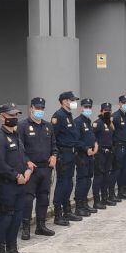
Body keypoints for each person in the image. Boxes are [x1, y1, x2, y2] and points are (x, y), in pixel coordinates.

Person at [0, 103, 34, 253]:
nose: (14, 118)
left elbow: (22, 157)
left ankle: (12, 250)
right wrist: (16, 176)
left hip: (21, 184)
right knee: (4, 218)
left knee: (16, 218)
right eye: (10, 115)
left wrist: (28, 168)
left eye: (16, 115)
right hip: (7, 185)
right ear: (2, 117)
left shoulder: (16, 136)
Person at [19, 98, 58, 240]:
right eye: (37, 108)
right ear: (31, 108)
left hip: (45, 169)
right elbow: (20, 149)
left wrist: (54, 156)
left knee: (43, 197)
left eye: (42, 109)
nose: (40, 111)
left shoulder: (48, 126)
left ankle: (41, 226)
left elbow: (54, 145)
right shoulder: (22, 126)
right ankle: (25, 228)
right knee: (28, 199)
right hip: (31, 169)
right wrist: (27, 161)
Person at [52, 91, 83, 225]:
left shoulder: (69, 115)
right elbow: (53, 137)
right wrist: (56, 155)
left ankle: (67, 211)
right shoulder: (58, 116)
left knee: (69, 183)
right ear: (64, 101)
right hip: (63, 155)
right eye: (72, 100)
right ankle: (58, 215)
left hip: (71, 153)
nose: (74, 102)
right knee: (62, 184)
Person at [73, 98, 99, 217]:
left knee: (88, 179)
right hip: (82, 155)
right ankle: (79, 206)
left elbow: (91, 137)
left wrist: (95, 145)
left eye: (89, 107)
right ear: (81, 108)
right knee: (82, 181)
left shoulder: (88, 121)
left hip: (90, 155)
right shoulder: (77, 122)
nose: (88, 109)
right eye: (85, 107)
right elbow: (76, 140)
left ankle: (84, 203)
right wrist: (86, 149)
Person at [92, 102, 115, 209]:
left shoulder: (110, 123)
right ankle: (96, 201)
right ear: (101, 111)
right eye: (105, 111)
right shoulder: (98, 123)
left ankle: (105, 198)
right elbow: (92, 137)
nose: (107, 112)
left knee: (106, 176)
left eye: (109, 111)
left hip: (108, 153)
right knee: (99, 177)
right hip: (100, 153)